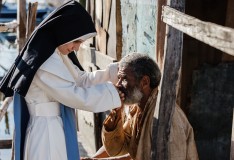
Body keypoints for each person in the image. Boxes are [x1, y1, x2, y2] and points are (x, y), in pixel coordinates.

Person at [0, 1, 124, 160]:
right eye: (76, 41)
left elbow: (81, 79)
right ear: (65, 32)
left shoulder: (56, 54)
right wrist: (114, 94)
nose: (77, 48)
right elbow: (74, 95)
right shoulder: (43, 63)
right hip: (45, 133)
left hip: (56, 127)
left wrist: (113, 73)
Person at [82, 53, 199, 160]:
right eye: (119, 79)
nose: (118, 85)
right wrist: (116, 112)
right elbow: (120, 149)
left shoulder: (166, 118)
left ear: (144, 82)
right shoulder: (135, 109)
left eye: (124, 79)